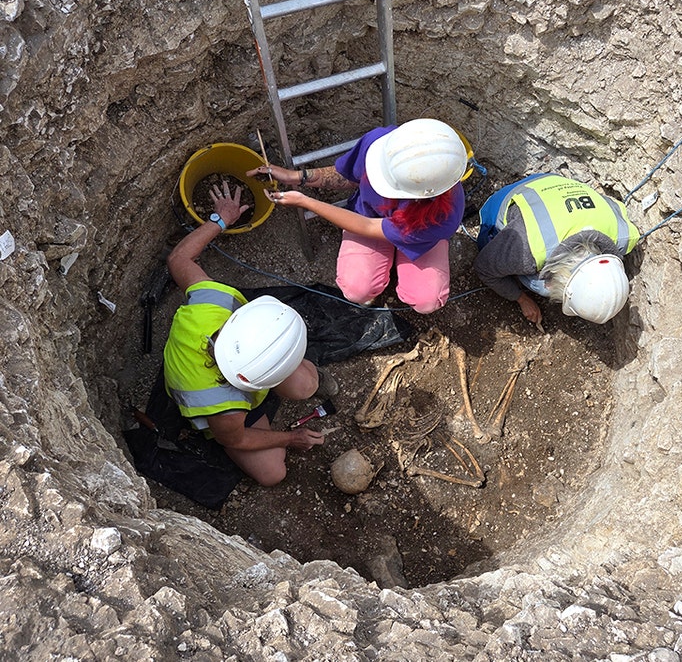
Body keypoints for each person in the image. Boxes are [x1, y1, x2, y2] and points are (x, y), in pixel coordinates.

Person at [163, 181, 335, 487]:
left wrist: (220, 220)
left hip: (230, 376)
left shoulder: (210, 303)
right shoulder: (222, 405)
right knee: (273, 472)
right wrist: (291, 438)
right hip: (223, 413)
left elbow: (179, 260)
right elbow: (238, 437)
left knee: (305, 384)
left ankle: (308, 378)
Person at [251, 118, 467, 313]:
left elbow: (366, 227)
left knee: (426, 299)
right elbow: (347, 175)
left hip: (413, 234)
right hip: (372, 217)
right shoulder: (382, 144)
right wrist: (295, 177)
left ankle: (400, 262)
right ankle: (376, 280)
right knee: (357, 289)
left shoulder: (443, 217)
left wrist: (305, 201)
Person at [473, 173, 639, 325]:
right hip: (510, 198)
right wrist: (521, 298)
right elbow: (483, 268)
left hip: (555, 183)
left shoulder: (624, 234)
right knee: (544, 287)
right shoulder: (529, 250)